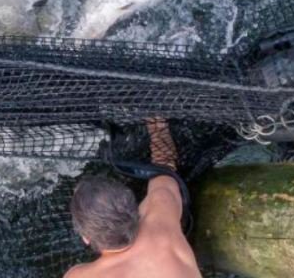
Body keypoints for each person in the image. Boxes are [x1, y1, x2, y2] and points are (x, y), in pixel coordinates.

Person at [65, 119, 201, 278]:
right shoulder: (162, 214)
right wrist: (155, 119)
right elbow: (164, 165)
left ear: (86, 238)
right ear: (134, 211)